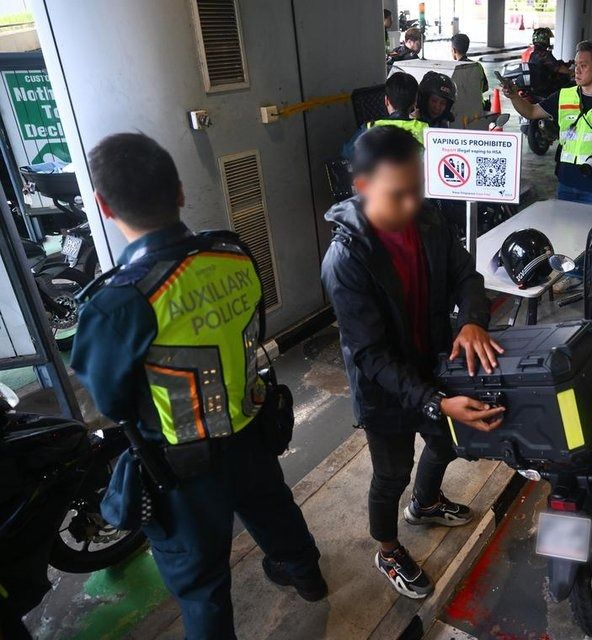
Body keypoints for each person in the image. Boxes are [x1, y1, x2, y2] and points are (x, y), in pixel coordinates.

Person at [71, 133, 327, 638]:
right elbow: (254, 327)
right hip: (252, 427)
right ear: (181, 192)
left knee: (201, 580)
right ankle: (307, 577)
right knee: (273, 509)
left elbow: (110, 401)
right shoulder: (232, 252)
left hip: (182, 466)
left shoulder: (118, 301)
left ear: (102, 206)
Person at [320, 126, 506, 599]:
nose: (411, 205)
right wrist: (435, 402)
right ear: (362, 188)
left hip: (434, 364)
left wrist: (471, 321)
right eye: (397, 195)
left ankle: (424, 503)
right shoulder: (346, 260)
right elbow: (370, 355)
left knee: (446, 446)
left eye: (417, 191)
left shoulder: (427, 219)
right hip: (384, 389)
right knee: (391, 473)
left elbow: (465, 273)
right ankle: (387, 548)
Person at [501, 40, 592, 206]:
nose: (577, 70)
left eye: (583, 65)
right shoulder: (564, 96)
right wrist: (514, 96)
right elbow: (531, 112)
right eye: (576, 65)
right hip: (566, 183)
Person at [523, 27, 573, 96]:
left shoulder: (533, 53)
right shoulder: (544, 54)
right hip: (545, 88)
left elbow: (550, 65)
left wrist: (567, 64)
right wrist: (572, 72)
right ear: (544, 39)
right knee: (568, 84)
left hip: (536, 86)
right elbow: (558, 68)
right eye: (548, 39)